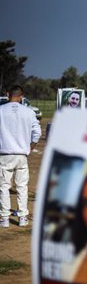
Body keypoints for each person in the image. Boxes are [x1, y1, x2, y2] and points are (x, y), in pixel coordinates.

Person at [0, 85, 42, 228]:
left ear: (7, 94)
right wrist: (30, 148)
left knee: (4, 186)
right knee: (22, 186)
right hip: (22, 155)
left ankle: (4, 217)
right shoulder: (29, 112)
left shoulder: (0, 110)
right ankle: (22, 217)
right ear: (22, 97)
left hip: (4, 154)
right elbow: (37, 133)